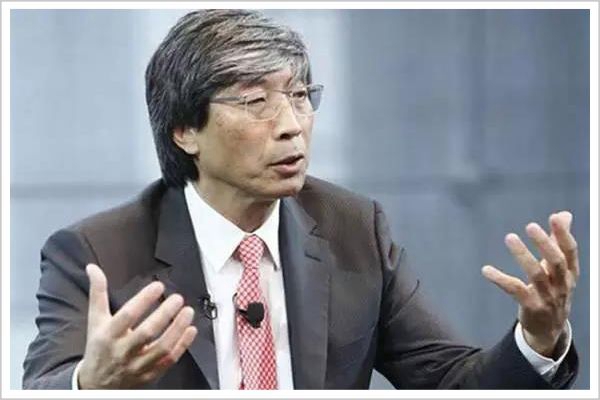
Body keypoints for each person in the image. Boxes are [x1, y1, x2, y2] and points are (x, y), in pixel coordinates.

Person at [22, 9, 580, 390]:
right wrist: (89, 385)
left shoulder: (353, 229)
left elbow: (453, 382)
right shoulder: (96, 252)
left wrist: (537, 339)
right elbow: (42, 384)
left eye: (300, 96)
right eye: (256, 102)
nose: (292, 125)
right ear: (185, 131)